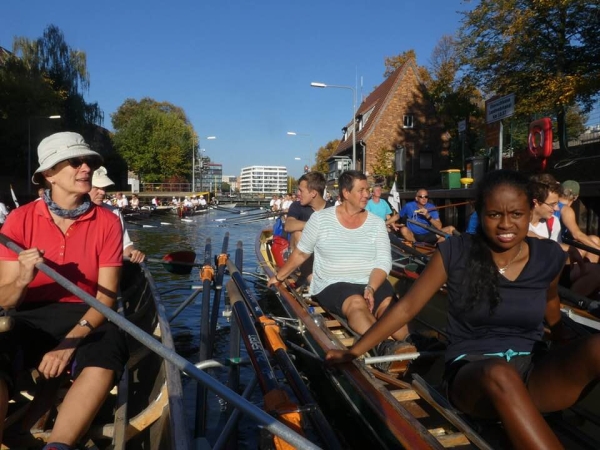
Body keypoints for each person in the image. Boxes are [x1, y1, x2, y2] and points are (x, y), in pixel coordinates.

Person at [326, 169, 600, 449]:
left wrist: (563, 338)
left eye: (516, 214)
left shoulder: (550, 255)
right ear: (480, 213)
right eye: (494, 215)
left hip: (532, 370)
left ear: (530, 211)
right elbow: (406, 308)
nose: (506, 225)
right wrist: (353, 351)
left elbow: (550, 301)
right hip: (473, 376)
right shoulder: (455, 252)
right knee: (500, 373)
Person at [0, 132, 128, 449]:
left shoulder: (108, 222)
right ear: (49, 174)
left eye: (89, 162)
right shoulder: (19, 219)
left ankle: (59, 444)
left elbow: (106, 298)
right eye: (75, 162)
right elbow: (4, 299)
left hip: (86, 315)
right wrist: (22, 280)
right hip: (28, 315)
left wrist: (68, 344)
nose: (85, 168)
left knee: (110, 344)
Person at [268, 170, 411, 359]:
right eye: (361, 190)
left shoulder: (376, 223)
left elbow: (383, 261)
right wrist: (278, 278)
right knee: (356, 302)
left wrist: (371, 286)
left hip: (370, 280)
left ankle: (410, 342)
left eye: (367, 190)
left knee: (388, 305)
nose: (366, 194)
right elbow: (301, 253)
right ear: (345, 193)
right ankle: (383, 346)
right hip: (333, 282)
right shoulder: (320, 219)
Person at [90, 166, 146, 264]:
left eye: (104, 188)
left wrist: (132, 252)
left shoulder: (114, 213)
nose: (103, 192)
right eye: (97, 188)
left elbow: (125, 246)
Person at [557, 180, 600, 263]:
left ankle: (587, 271)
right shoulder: (566, 210)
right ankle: (587, 273)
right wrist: (598, 249)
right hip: (555, 247)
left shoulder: (551, 204)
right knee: (590, 247)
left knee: (595, 239)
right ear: (576, 197)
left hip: (557, 243)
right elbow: (577, 235)